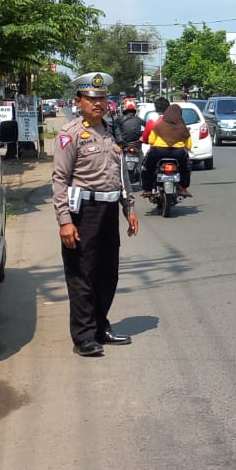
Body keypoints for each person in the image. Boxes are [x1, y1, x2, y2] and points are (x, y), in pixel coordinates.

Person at [52, 72, 139, 356]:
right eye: (91, 98)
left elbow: (121, 174)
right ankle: (83, 336)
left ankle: (101, 326)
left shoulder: (110, 131)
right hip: (83, 212)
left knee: (107, 273)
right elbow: (60, 180)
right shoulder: (70, 134)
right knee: (82, 274)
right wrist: (65, 221)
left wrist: (129, 208)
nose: (98, 103)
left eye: (101, 98)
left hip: (109, 210)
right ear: (79, 101)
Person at [140, 102, 192, 198]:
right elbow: (188, 146)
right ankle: (184, 188)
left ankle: (147, 190)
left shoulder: (159, 126)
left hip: (158, 152)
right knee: (185, 168)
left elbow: (151, 141)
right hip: (179, 153)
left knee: (148, 167)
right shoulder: (183, 127)